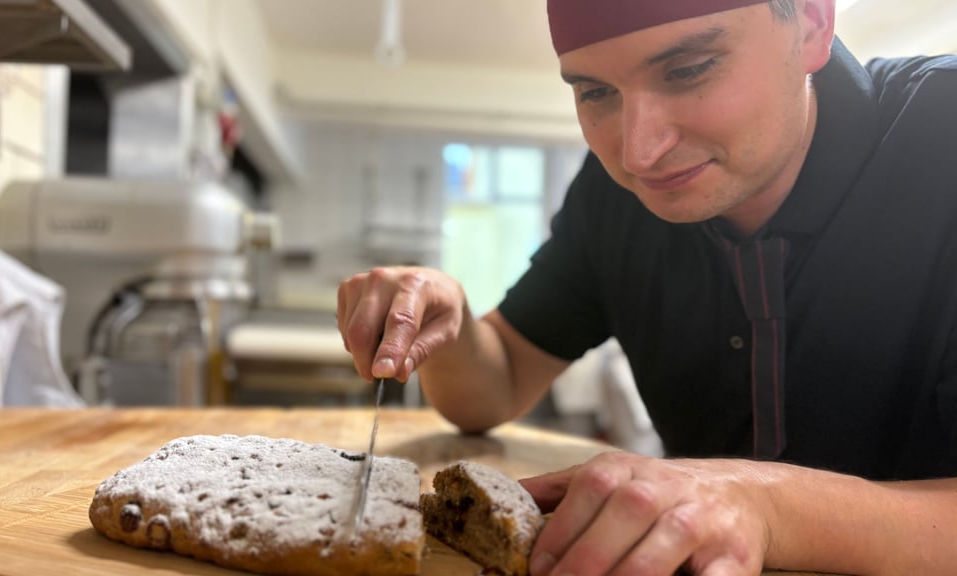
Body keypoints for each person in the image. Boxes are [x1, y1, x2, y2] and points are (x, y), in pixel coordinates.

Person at [337, 0, 957, 574]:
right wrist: (452, 315)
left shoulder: (942, 130)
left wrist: (762, 505)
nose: (638, 152)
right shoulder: (617, 199)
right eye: (596, 91)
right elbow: (492, 385)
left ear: (814, 23)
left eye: (688, 70)